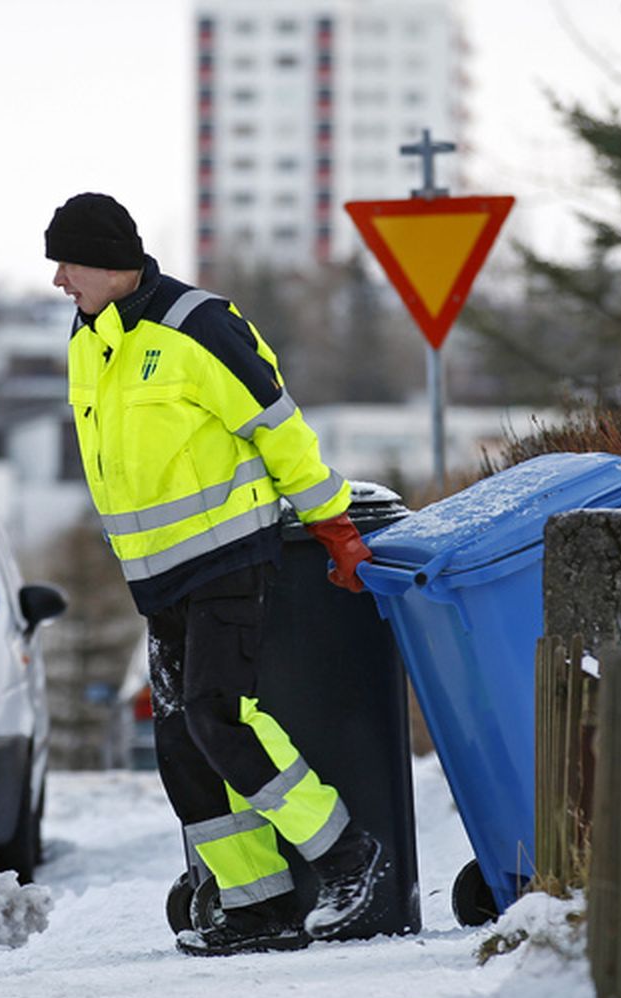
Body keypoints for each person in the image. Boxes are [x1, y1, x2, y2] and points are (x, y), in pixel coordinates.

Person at [44, 192, 385, 957]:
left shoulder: (198, 325)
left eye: (67, 263)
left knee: (217, 716)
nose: (60, 280)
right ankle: (259, 906)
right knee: (180, 743)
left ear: (107, 261)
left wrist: (334, 525)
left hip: (229, 557)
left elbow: (278, 426)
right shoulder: (89, 338)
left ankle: (345, 856)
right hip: (157, 575)